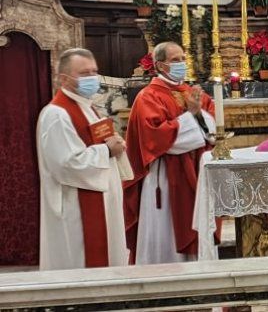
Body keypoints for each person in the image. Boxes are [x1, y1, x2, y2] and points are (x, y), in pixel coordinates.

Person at [124, 42, 221, 265]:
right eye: (175, 60)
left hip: (197, 173)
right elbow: (158, 139)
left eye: (183, 59)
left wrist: (199, 117)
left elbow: (214, 132)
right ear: (160, 65)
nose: (182, 64)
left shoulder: (193, 93)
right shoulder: (148, 97)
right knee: (166, 233)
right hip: (166, 178)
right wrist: (194, 117)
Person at [37, 48, 129, 270]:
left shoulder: (86, 107)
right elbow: (66, 164)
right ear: (63, 78)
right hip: (75, 207)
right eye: (84, 73)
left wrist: (114, 144)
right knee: (80, 266)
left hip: (100, 198)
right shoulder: (57, 114)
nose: (92, 78)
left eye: (94, 72)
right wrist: (107, 151)